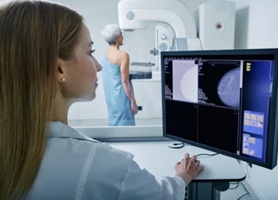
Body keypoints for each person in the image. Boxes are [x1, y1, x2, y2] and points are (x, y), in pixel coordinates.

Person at [0, 1, 204, 200]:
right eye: (90, 52)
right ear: (59, 69)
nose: (98, 66)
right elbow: (163, 194)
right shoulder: (103, 165)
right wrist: (183, 176)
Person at [100, 24, 138, 126]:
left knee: (115, 131)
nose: (123, 37)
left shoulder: (105, 55)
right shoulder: (123, 56)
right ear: (117, 37)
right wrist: (133, 101)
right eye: (121, 34)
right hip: (122, 98)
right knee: (126, 132)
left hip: (111, 100)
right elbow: (125, 81)